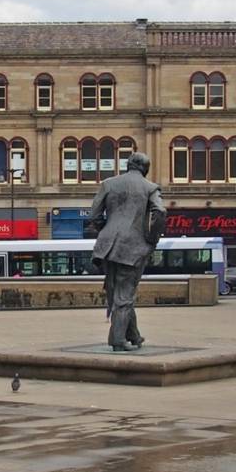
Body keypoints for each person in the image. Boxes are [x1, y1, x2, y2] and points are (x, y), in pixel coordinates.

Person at [86, 151, 165, 352]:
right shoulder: (150, 187)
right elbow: (160, 212)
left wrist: (106, 228)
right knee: (124, 295)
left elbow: (94, 214)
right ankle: (117, 340)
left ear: (128, 165)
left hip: (107, 246)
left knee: (117, 292)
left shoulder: (109, 183)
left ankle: (133, 335)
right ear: (145, 168)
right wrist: (152, 238)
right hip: (132, 246)